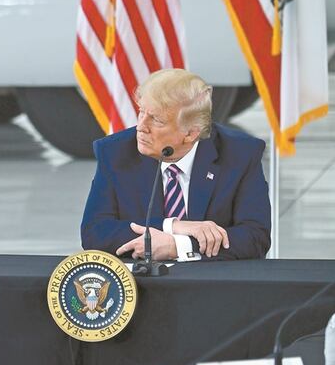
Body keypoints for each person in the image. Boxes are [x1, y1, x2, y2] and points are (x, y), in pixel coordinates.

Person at [80, 68, 271, 261]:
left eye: (156, 119)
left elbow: (256, 237)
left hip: (212, 284)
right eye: (142, 112)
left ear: (190, 133)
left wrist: (179, 246)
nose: (141, 127)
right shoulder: (115, 151)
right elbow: (94, 233)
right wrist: (172, 226)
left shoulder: (241, 154)